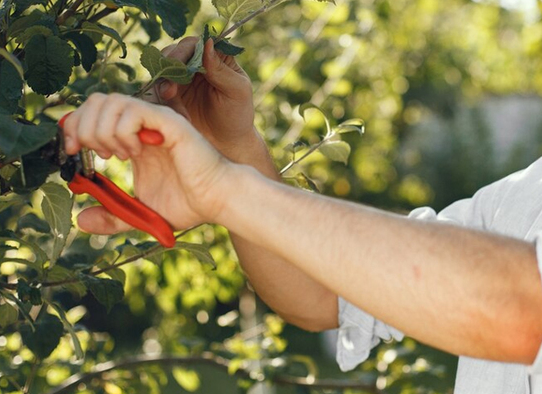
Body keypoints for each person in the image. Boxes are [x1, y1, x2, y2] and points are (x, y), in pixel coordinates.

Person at [60, 37, 542, 393]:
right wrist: (231, 150)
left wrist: (224, 188)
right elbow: (326, 293)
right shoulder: (525, 193)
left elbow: (523, 313)